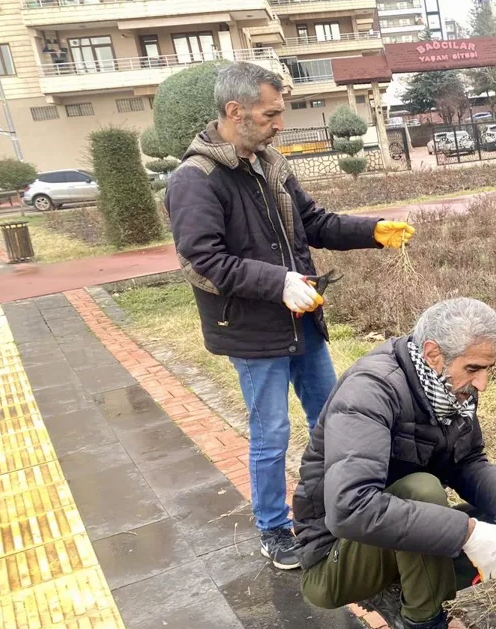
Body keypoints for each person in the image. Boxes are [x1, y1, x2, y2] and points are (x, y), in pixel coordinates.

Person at [167, 61, 415, 569]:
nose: (280, 124)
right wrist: (278, 282)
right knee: (272, 433)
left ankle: (335, 509)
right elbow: (203, 260)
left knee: (334, 418)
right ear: (236, 111)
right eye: (270, 114)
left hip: (302, 320)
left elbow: (313, 222)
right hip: (251, 331)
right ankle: (274, 528)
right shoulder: (196, 179)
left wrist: (371, 230)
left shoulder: (270, 164)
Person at [292, 298, 496, 629]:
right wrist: (467, 532)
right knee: (423, 492)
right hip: (333, 560)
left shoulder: (448, 387)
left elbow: (467, 460)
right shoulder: (369, 390)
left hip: (385, 538)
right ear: (434, 353)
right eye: (474, 368)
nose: (482, 384)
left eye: (488, 369)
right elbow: (351, 509)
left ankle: (401, 595)